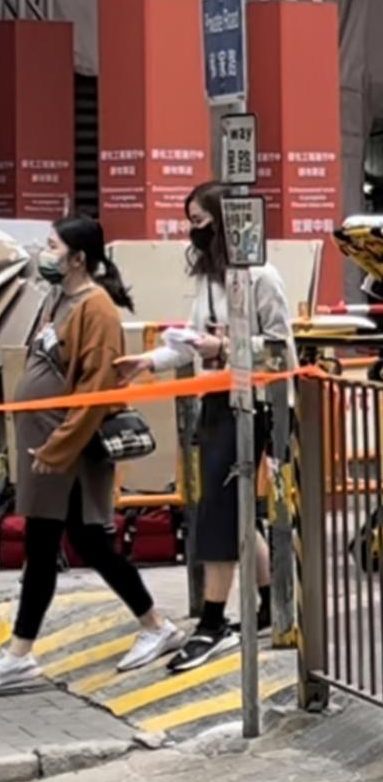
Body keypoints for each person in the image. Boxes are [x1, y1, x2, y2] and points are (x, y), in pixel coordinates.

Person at [0, 216, 182, 694]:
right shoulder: (56, 299)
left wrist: (58, 448)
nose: (45, 253)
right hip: (49, 448)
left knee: (45, 548)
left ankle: (20, 653)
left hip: (67, 452)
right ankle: (154, 624)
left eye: (52, 246)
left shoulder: (96, 308)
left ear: (78, 257)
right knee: (85, 544)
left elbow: (95, 390)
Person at [115, 180, 296, 672]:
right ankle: (267, 606)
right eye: (189, 221)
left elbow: (280, 347)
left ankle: (213, 621)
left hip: (255, 404)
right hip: (216, 398)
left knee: (218, 510)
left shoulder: (262, 276)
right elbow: (193, 341)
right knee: (232, 510)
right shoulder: (211, 281)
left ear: (223, 221)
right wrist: (148, 360)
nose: (192, 231)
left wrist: (228, 350)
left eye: (199, 221)